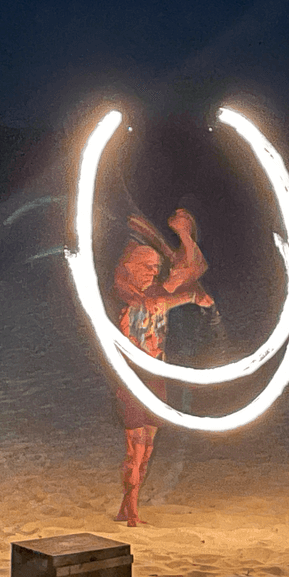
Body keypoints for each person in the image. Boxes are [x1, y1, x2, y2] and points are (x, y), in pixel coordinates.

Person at [112, 208, 213, 526]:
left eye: (156, 268)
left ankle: (127, 506)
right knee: (135, 450)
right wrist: (189, 296)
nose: (152, 273)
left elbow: (195, 268)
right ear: (131, 268)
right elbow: (155, 299)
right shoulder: (126, 295)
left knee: (148, 449)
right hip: (133, 381)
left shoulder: (157, 292)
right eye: (146, 267)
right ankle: (131, 512)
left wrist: (185, 235)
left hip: (156, 378)